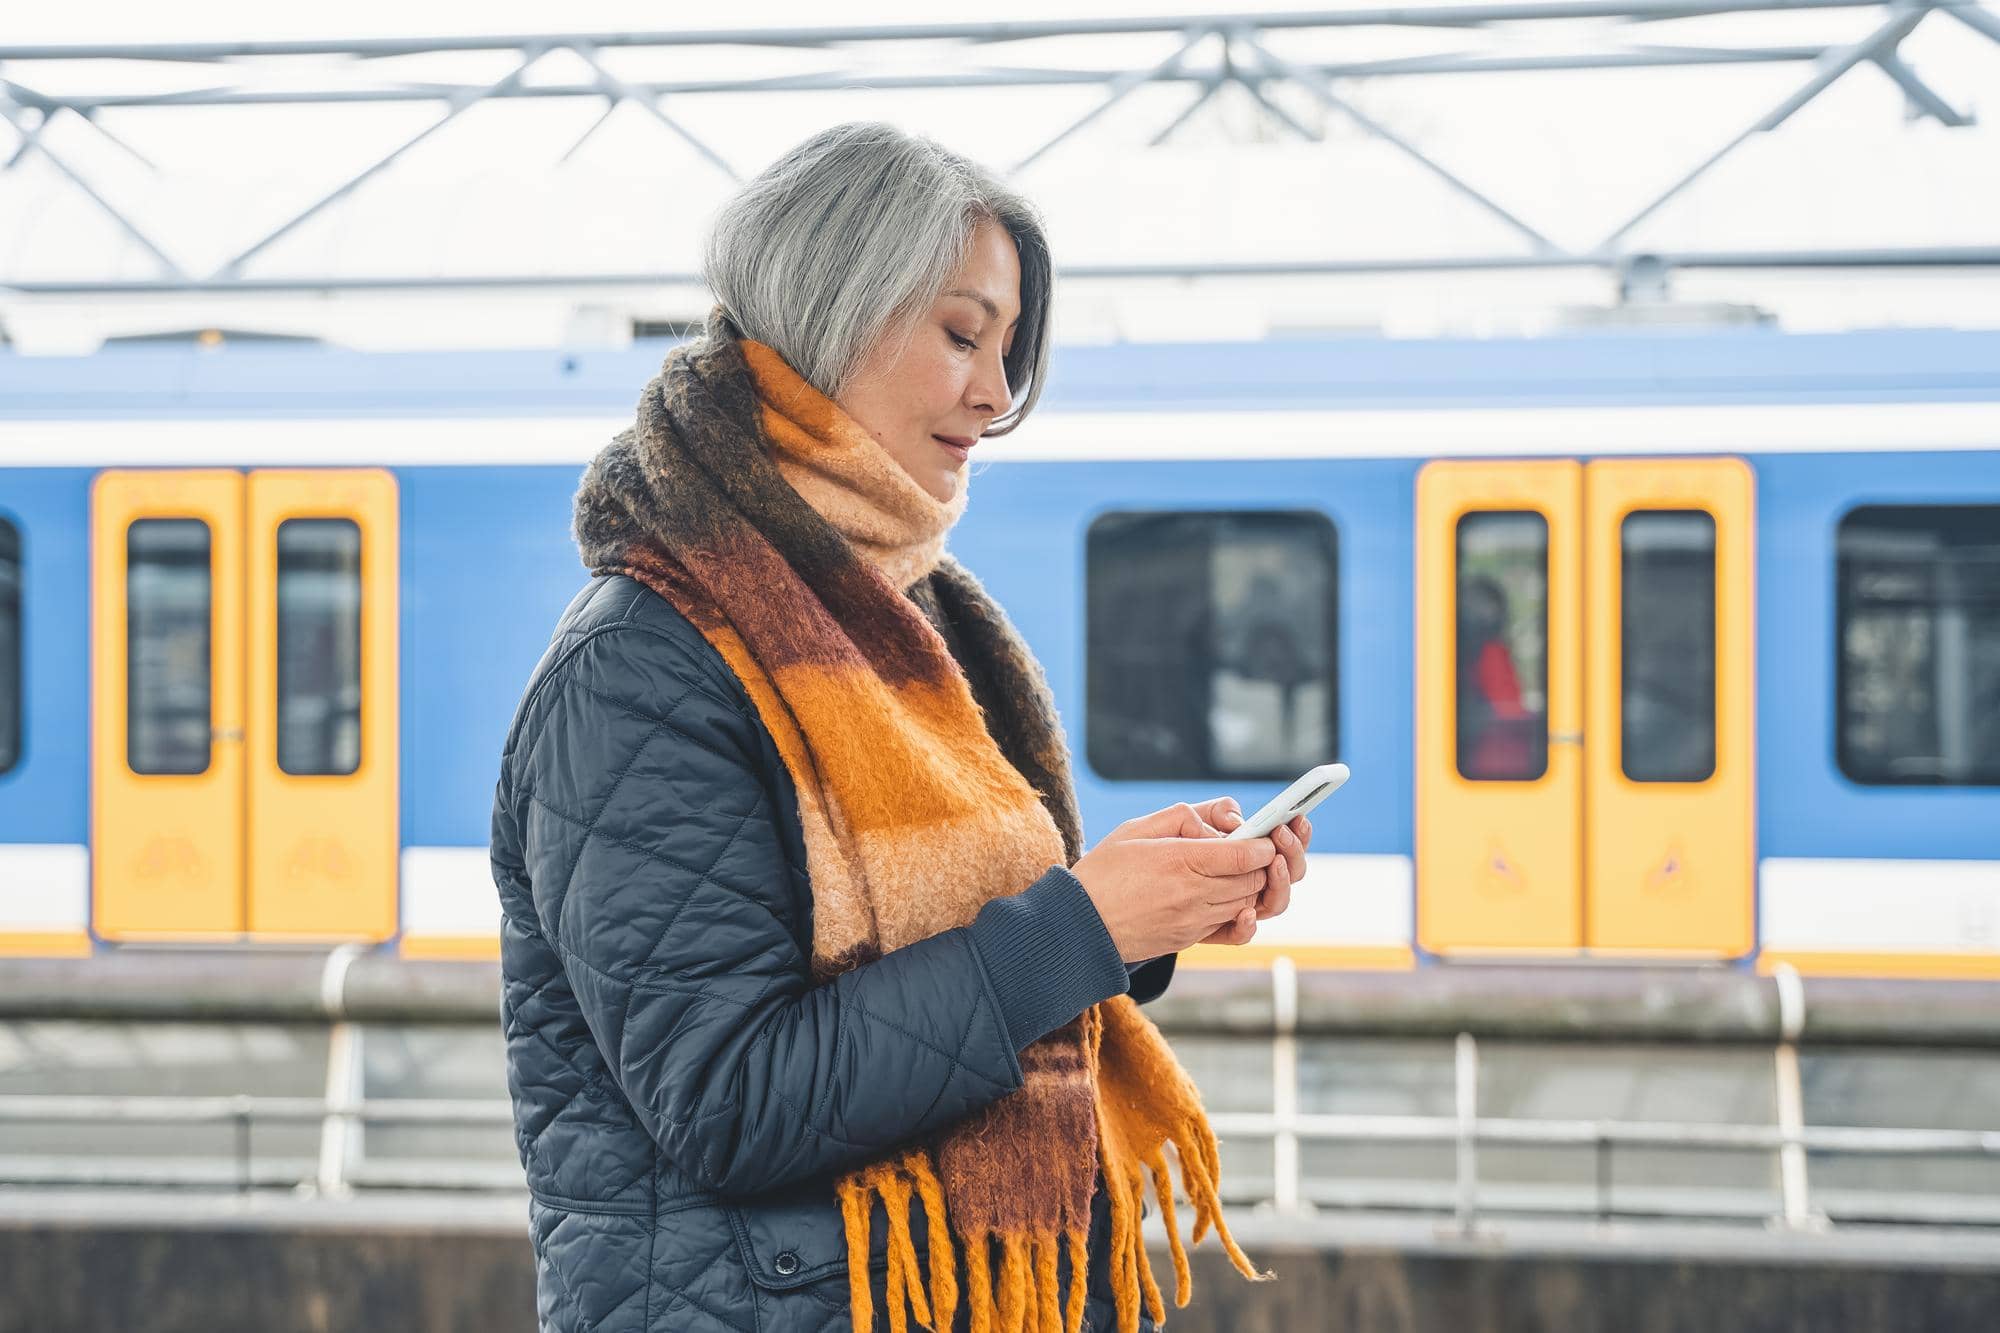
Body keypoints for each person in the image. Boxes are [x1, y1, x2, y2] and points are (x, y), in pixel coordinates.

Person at [490, 121, 1313, 1333]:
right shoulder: (643, 668)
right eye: (960, 333)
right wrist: (1072, 930)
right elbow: (731, 1099)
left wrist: (1139, 919)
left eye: (1009, 349)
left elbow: (936, 960)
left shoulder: (902, 618)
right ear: (833, 312)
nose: (996, 393)